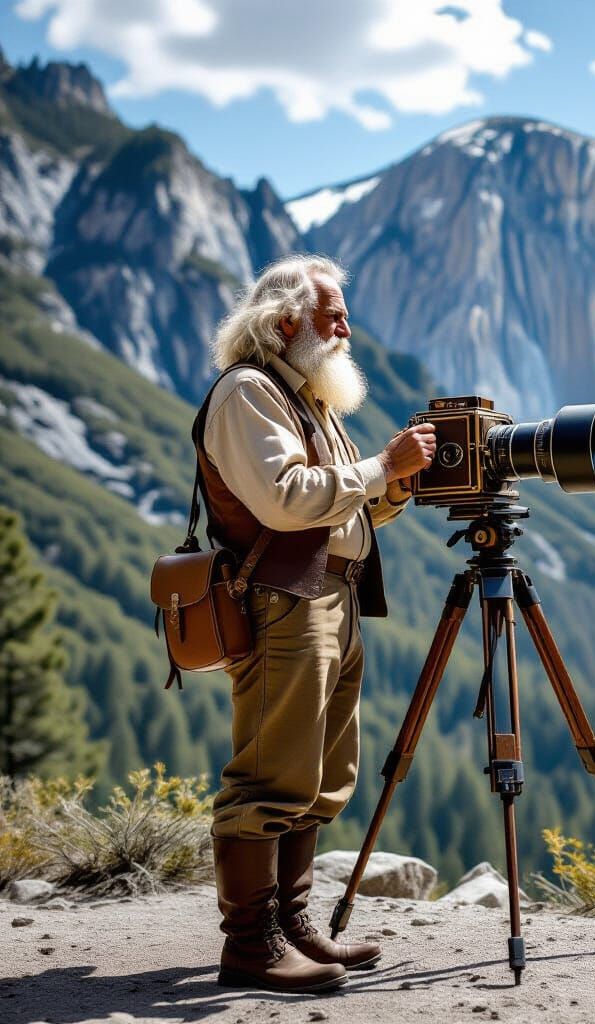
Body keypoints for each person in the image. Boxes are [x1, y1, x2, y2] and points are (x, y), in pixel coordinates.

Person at [198, 253, 436, 993]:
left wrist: (392, 484)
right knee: (271, 776)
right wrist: (377, 468)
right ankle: (251, 948)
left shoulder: (310, 401)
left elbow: (345, 507)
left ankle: (292, 925)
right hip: (284, 605)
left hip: (331, 598)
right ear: (284, 322)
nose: (346, 329)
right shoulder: (248, 393)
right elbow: (287, 500)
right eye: (334, 315)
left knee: (321, 776)